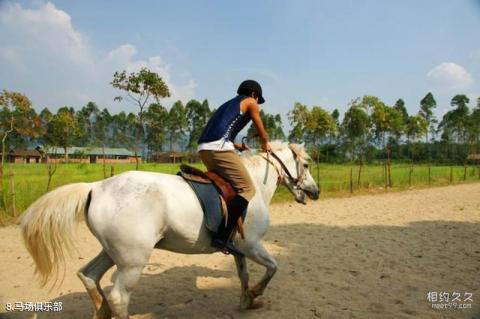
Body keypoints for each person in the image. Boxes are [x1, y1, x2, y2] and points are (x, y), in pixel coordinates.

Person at [198, 80, 271, 256]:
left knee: (229, 186)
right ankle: (222, 237)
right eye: (258, 98)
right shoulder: (251, 102)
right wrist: (265, 143)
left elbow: (221, 131)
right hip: (218, 149)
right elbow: (259, 126)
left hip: (204, 149)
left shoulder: (228, 104)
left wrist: (238, 147)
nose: (257, 102)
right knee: (247, 189)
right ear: (254, 94)